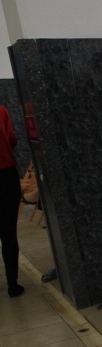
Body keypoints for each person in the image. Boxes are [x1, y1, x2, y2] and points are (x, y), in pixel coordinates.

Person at [0, 106, 23, 298]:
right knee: (8, 234)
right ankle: (12, 284)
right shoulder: (1, 111)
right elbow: (12, 139)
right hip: (5, 175)